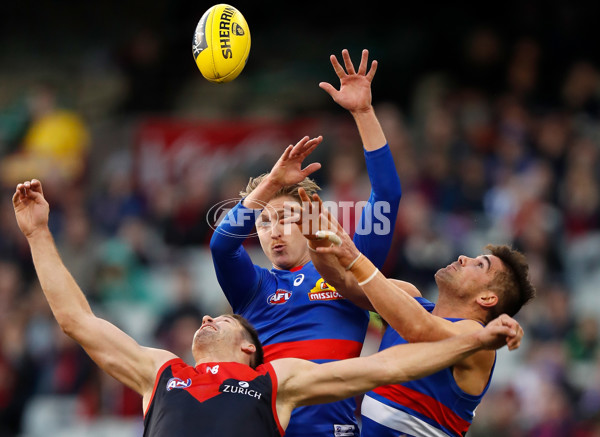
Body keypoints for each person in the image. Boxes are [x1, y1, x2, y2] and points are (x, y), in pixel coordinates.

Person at [13, 178, 524, 437]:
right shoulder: (162, 374)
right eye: (265, 222)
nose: (210, 317)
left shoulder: (272, 385)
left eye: (226, 319)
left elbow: (386, 364)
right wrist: (37, 233)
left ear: (249, 349)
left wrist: (476, 337)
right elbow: (75, 320)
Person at [209, 49, 402, 436]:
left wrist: (364, 114)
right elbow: (221, 246)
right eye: (264, 223)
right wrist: (270, 186)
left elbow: (387, 196)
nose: (274, 230)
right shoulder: (254, 286)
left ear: (311, 219)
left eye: (285, 218)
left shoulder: (348, 268)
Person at [286, 188, 536, 437]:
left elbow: (419, 329)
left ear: (487, 298)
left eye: (480, 265)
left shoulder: (477, 340)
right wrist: (315, 240)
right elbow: (343, 281)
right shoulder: (408, 297)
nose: (463, 258)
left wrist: (355, 259)